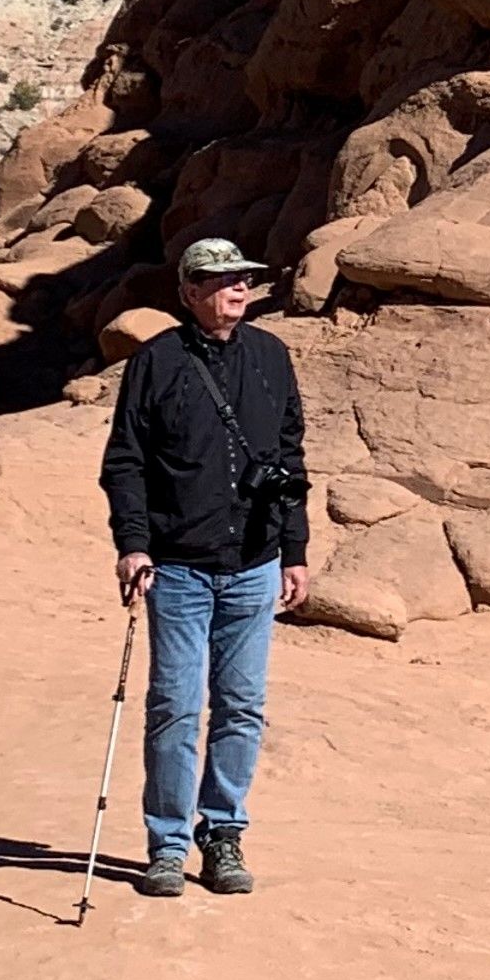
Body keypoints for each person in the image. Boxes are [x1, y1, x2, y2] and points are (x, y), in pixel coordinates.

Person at [100, 235, 310, 897]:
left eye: (243, 278)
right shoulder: (156, 361)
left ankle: (222, 834)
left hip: (253, 563)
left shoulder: (272, 357)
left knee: (243, 707)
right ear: (188, 291)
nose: (238, 289)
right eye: (221, 280)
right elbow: (125, 462)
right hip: (180, 567)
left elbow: (290, 460)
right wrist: (133, 543)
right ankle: (165, 844)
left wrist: (295, 550)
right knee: (175, 707)